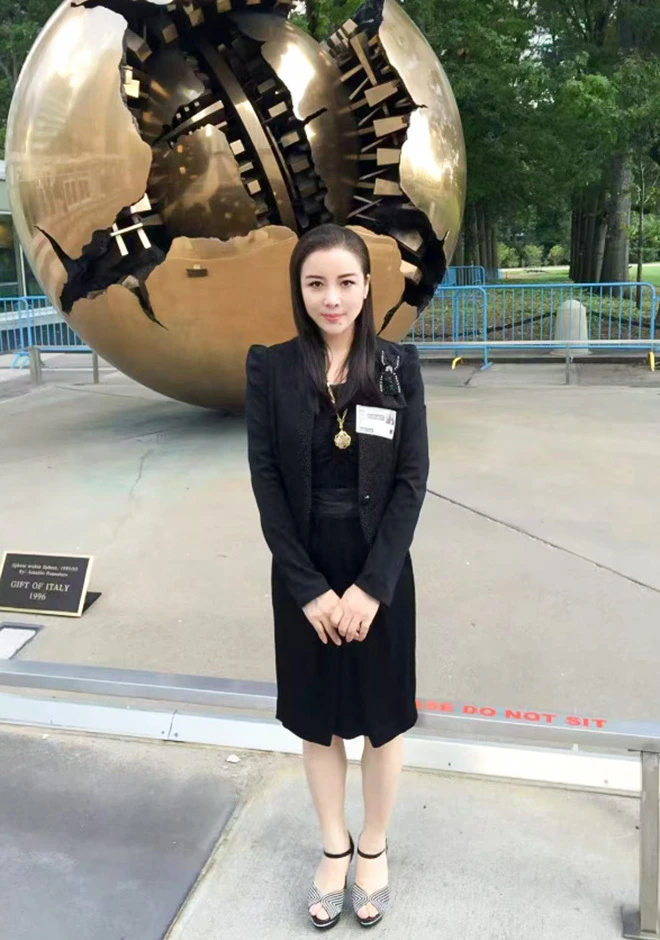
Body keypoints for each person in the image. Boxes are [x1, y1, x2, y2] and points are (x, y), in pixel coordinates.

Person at [245, 223, 429, 930]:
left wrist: (374, 587)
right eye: (316, 283)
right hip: (305, 565)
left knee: (384, 718)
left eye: (346, 283)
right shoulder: (271, 369)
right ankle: (333, 846)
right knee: (316, 717)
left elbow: (411, 479)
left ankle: (374, 846)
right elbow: (266, 483)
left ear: (367, 286)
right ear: (298, 289)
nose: (332, 298)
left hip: (379, 564)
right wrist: (309, 589)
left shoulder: (397, 367)